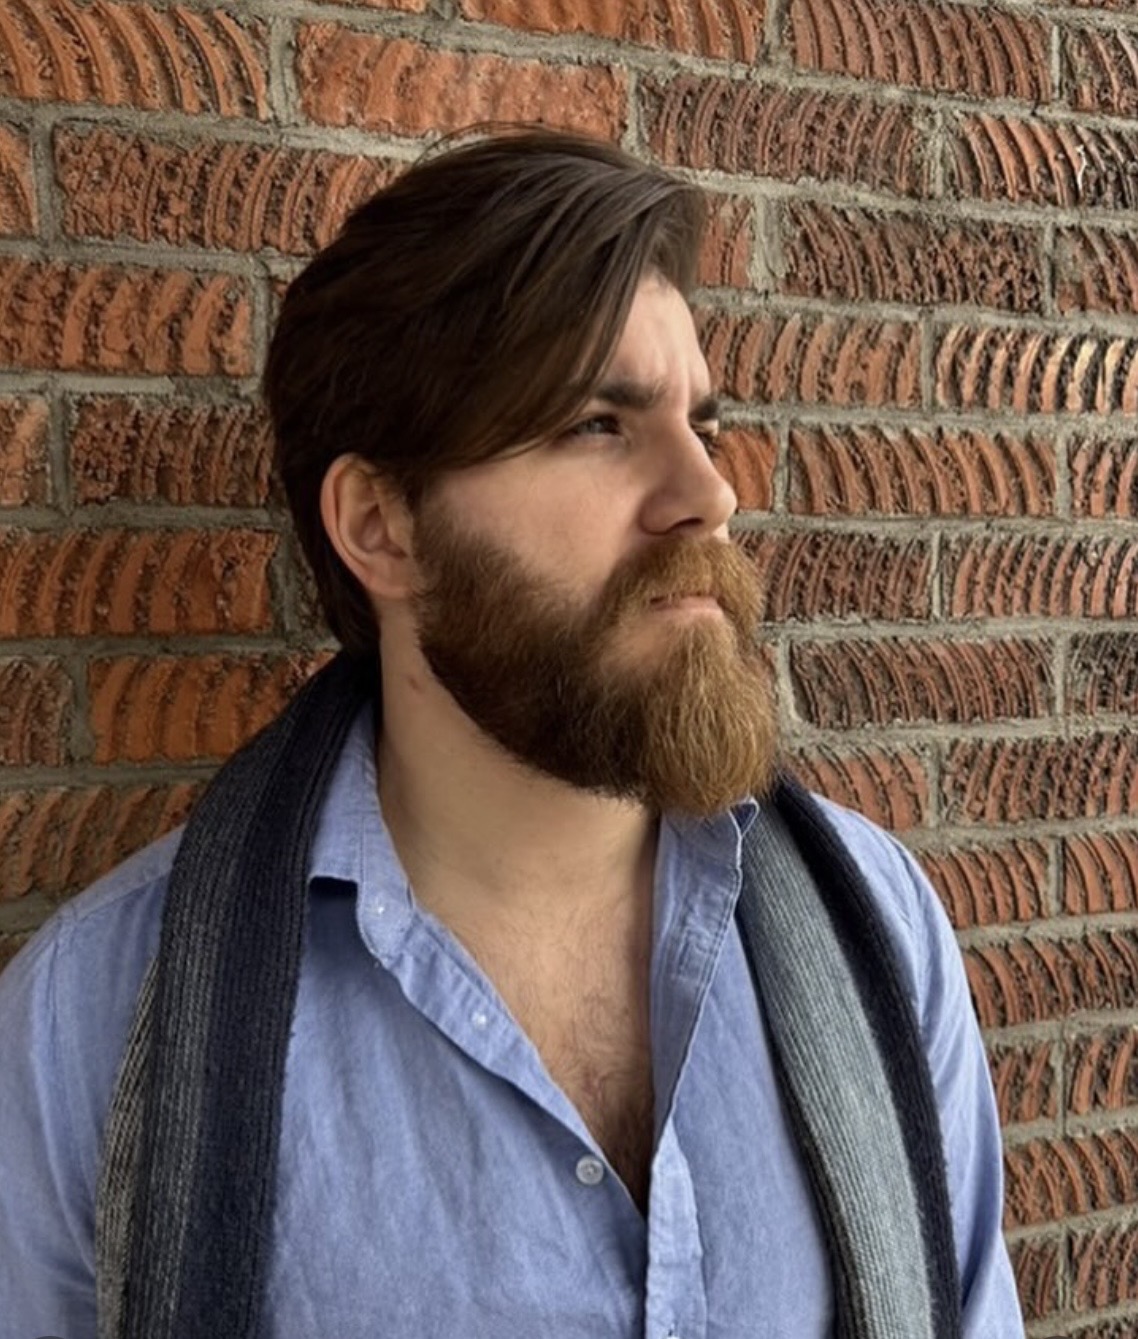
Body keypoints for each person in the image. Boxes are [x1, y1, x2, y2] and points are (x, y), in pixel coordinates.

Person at [0, 127, 1024, 1339]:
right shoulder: (97, 1024)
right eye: (600, 423)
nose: (708, 493)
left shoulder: (876, 931)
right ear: (381, 526)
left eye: (705, 422)